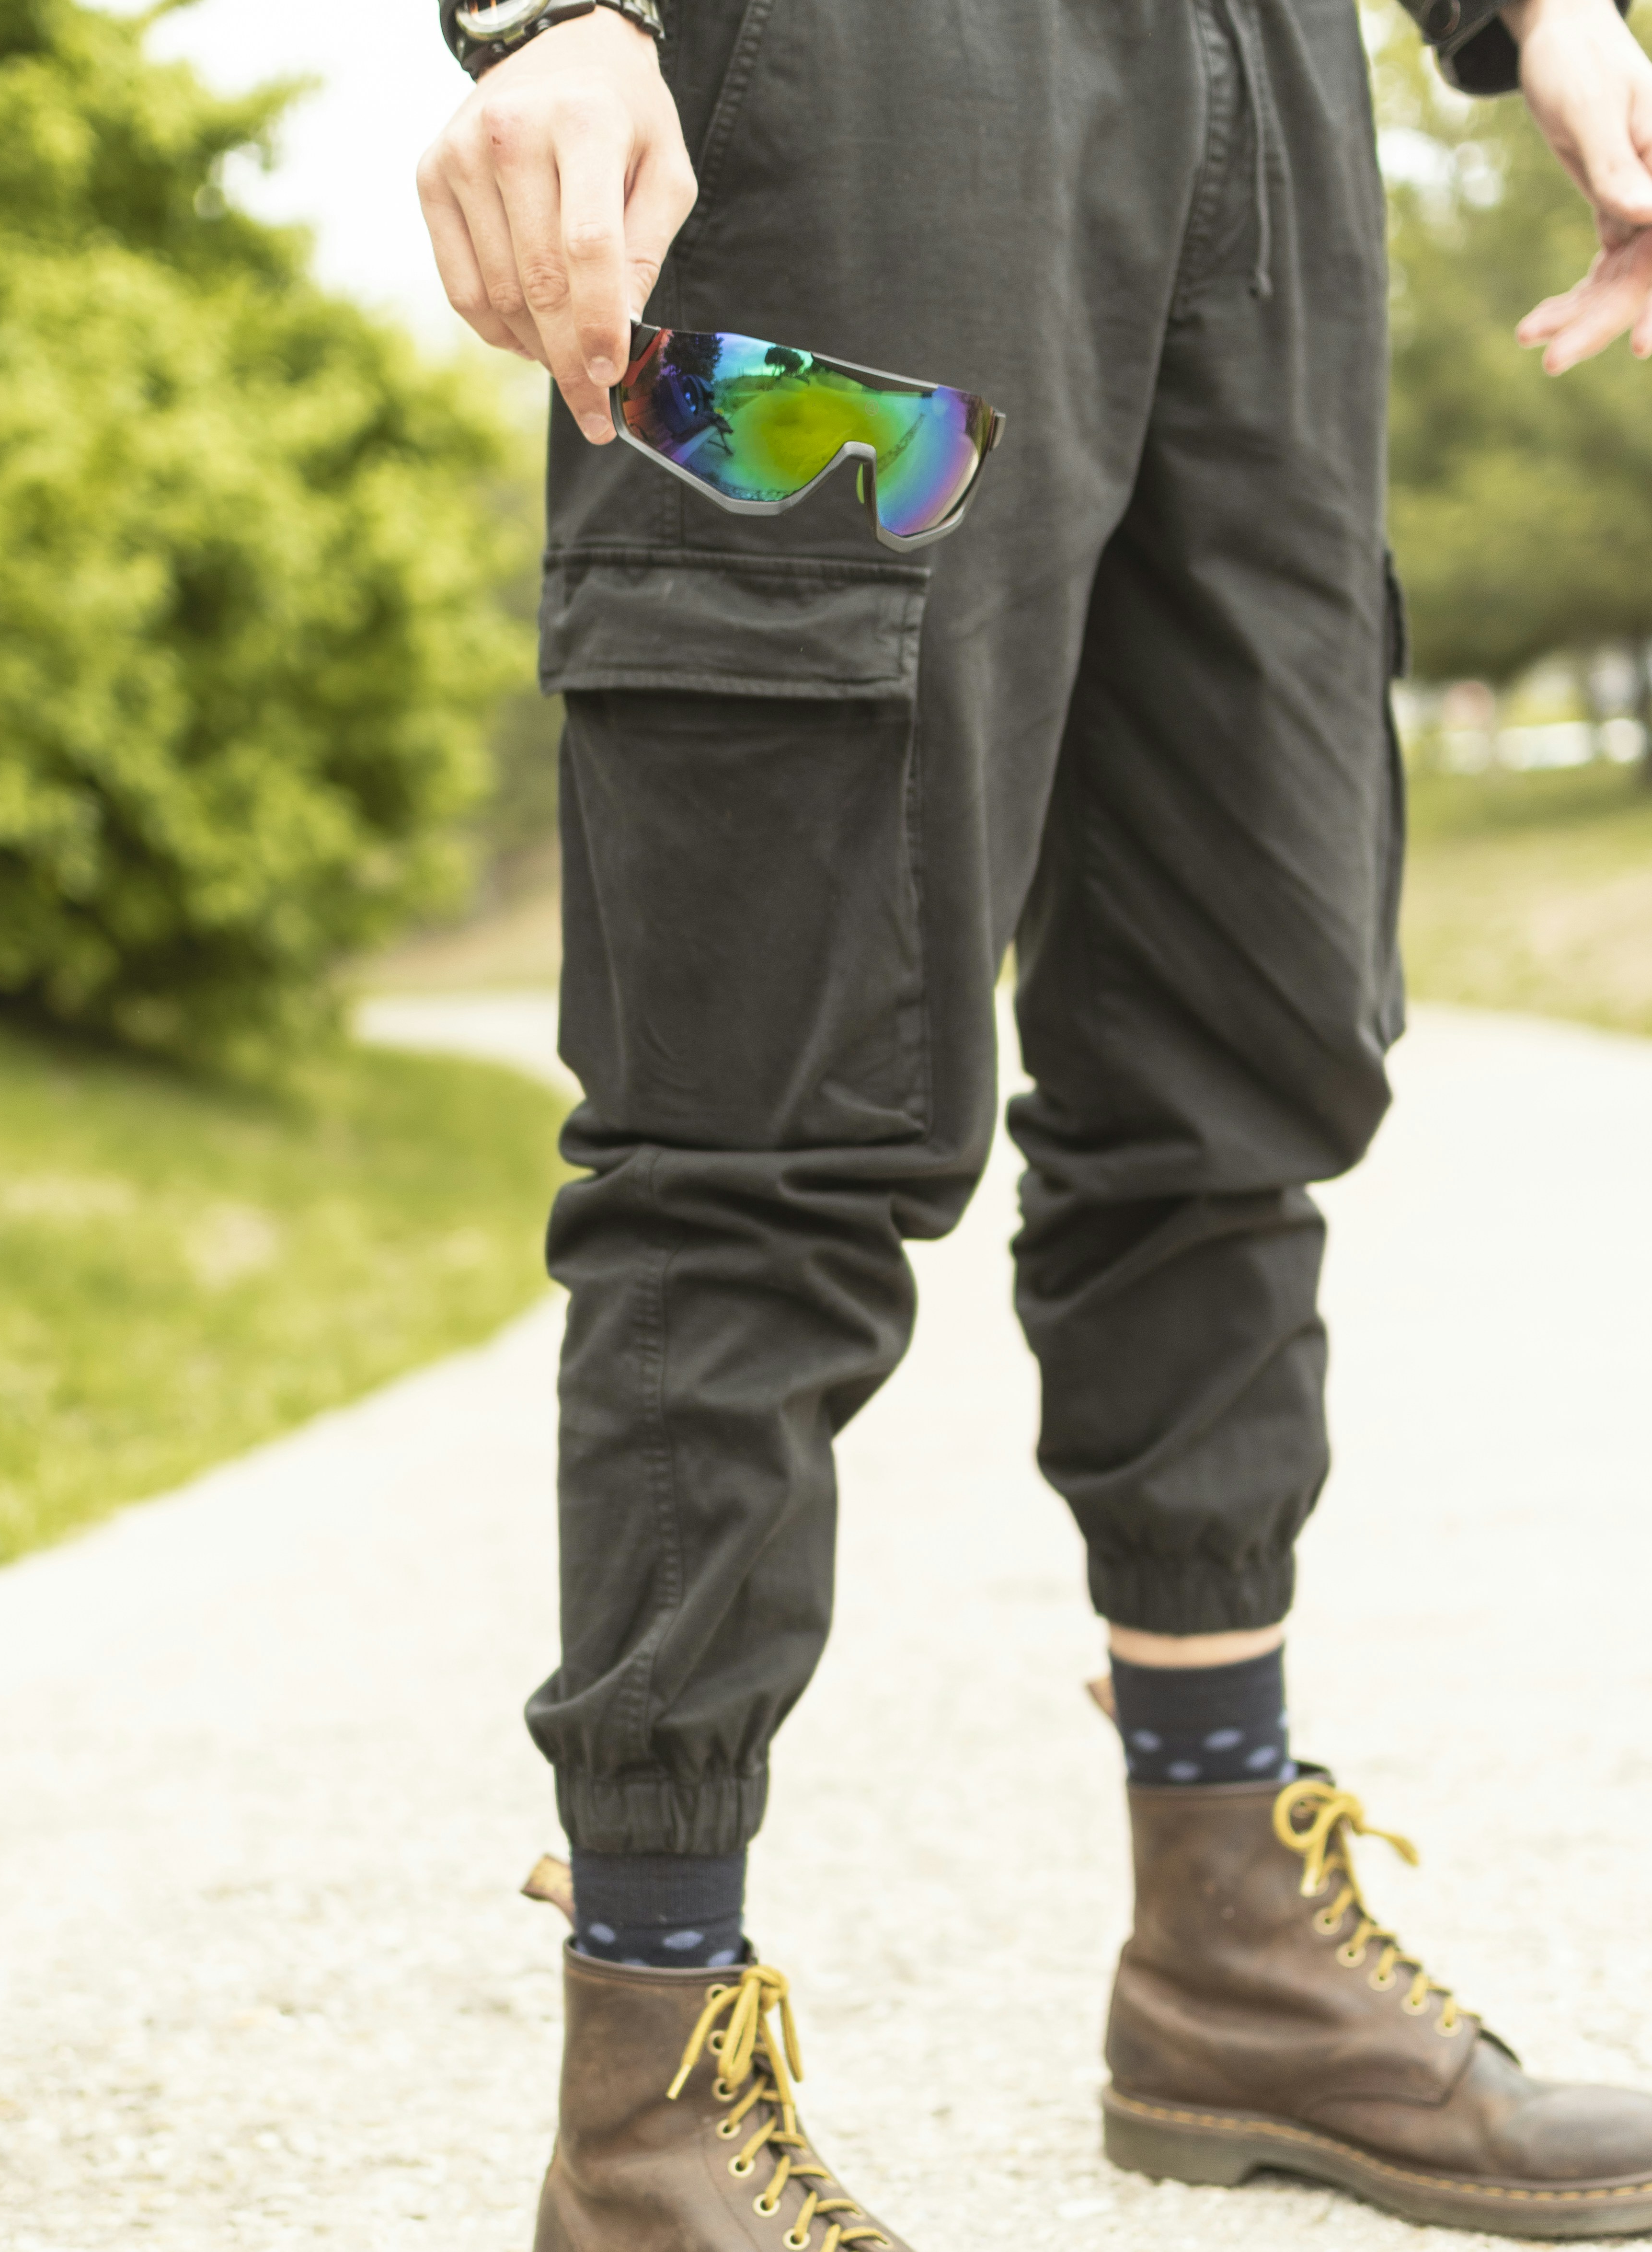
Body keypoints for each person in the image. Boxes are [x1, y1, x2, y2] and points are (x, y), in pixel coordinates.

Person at [417, 0, 1652, 2239]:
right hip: (850, 104)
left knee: (1235, 1050)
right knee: (759, 1116)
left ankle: (1228, 1950)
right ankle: (651, 2093)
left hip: (1259, 111)